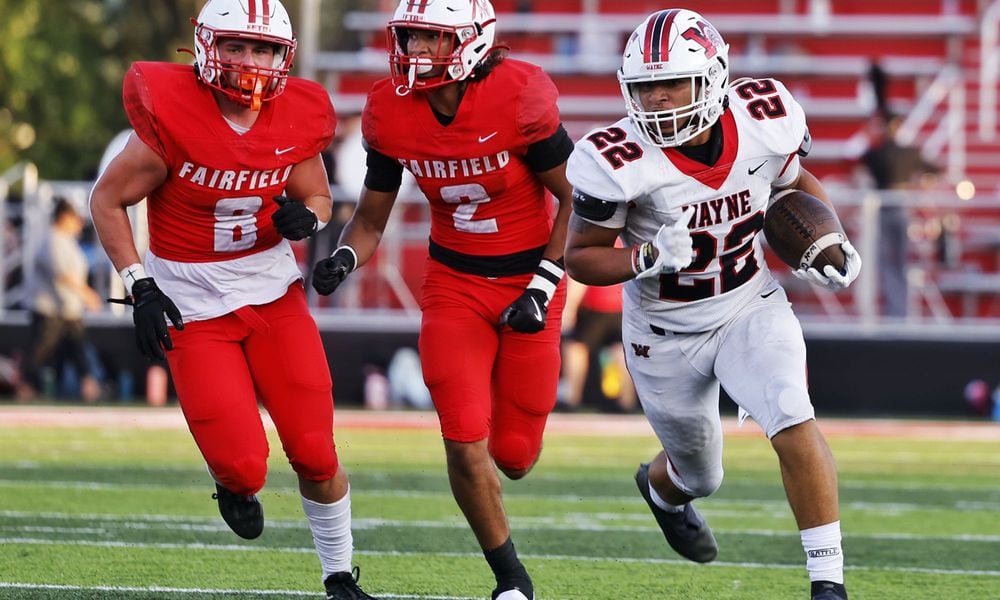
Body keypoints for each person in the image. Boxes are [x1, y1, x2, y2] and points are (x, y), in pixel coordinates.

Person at [563, 10, 861, 600]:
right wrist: (644, 256)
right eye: (646, 87)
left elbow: (794, 186)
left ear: (714, 75)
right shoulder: (614, 158)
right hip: (663, 332)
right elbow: (581, 255)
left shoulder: (764, 118)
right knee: (701, 475)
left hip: (748, 304)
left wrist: (829, 241)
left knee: (791, 414)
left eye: (673, 83)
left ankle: (828, 584)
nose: (660, 100)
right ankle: (661, 491)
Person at [88, 1, 375, 598]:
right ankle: (234, 485)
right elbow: (107, 200)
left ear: (283, 57)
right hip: (191, 302)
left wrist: (307, 218)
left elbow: (318, 197)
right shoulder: (174, 115)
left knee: (316, 453)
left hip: (272, 293)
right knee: (244, 464)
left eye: (265, 49)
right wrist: (138, 283)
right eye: (238, 47)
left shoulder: (294, 117)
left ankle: (339, 575)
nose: (252, 61)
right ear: (206, 48)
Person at [310, 1, 574, 598]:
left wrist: (544, 284)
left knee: (514, 456)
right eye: (411, 37)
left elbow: (577, 200)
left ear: (473, 40)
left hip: (530, 278)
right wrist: (344, 258)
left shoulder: (517, 95)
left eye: (433, 37)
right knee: (461, 437)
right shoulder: (392, 111)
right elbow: (372, 219)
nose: (418, 50)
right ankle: (511, 579)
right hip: (453, 283)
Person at [18, 198, 103, 402]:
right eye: (76, 219)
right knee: (41, 350)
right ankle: (25, 388)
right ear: (65, 218)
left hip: (68, 308)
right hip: (49, 307)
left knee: (78, 348)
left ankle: (89, 387)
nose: (79, 224)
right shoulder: (52, 240)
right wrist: (87, 294)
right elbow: (62, 274)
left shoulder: (66, 241)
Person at [859, 113, 940, 317]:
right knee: (895, 262)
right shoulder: (904, 153)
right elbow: (935, 170)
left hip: (887, 209)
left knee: (891, 262)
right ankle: (898, 311)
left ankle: (896, 311)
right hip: (897, 208)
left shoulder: (875, 153)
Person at [559, 276, 636, 413]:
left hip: (596, 304)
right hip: (623, 304)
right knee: (621, 350)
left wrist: (570, 307)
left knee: (577, 347)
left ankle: (572, 398)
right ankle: (626, 401)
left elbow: (579, 277)